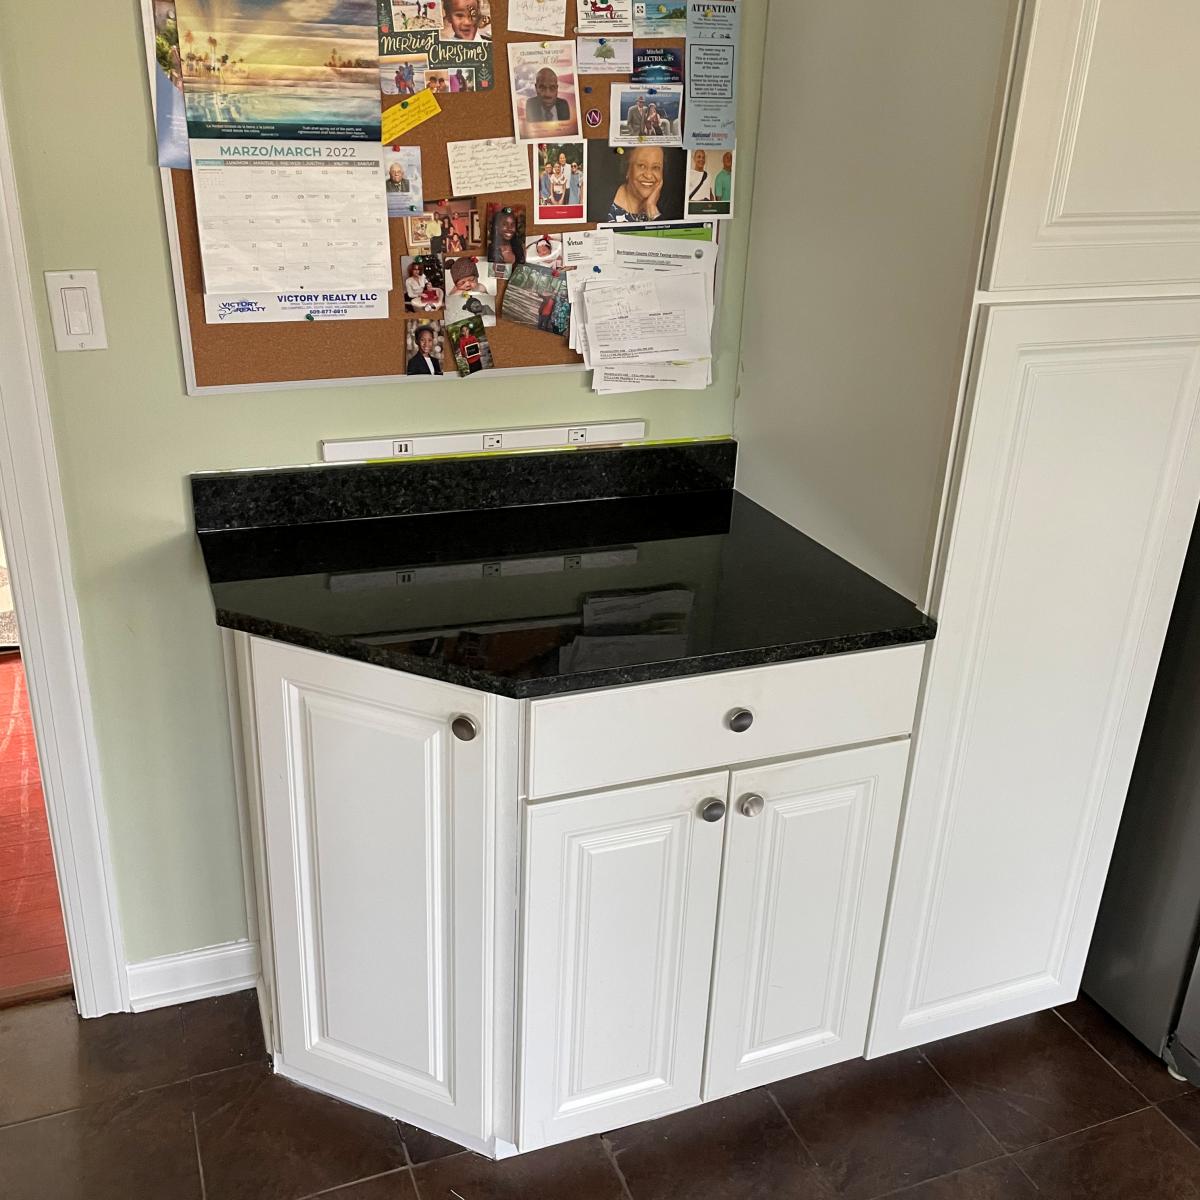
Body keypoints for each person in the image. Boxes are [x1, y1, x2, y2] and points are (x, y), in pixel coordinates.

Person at [606, 144, 666, 222]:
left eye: (656, 167)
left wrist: (651, 208)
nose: (648, 175)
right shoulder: (603, 203)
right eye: (642, 166)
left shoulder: (668, 206)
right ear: (627, 169)